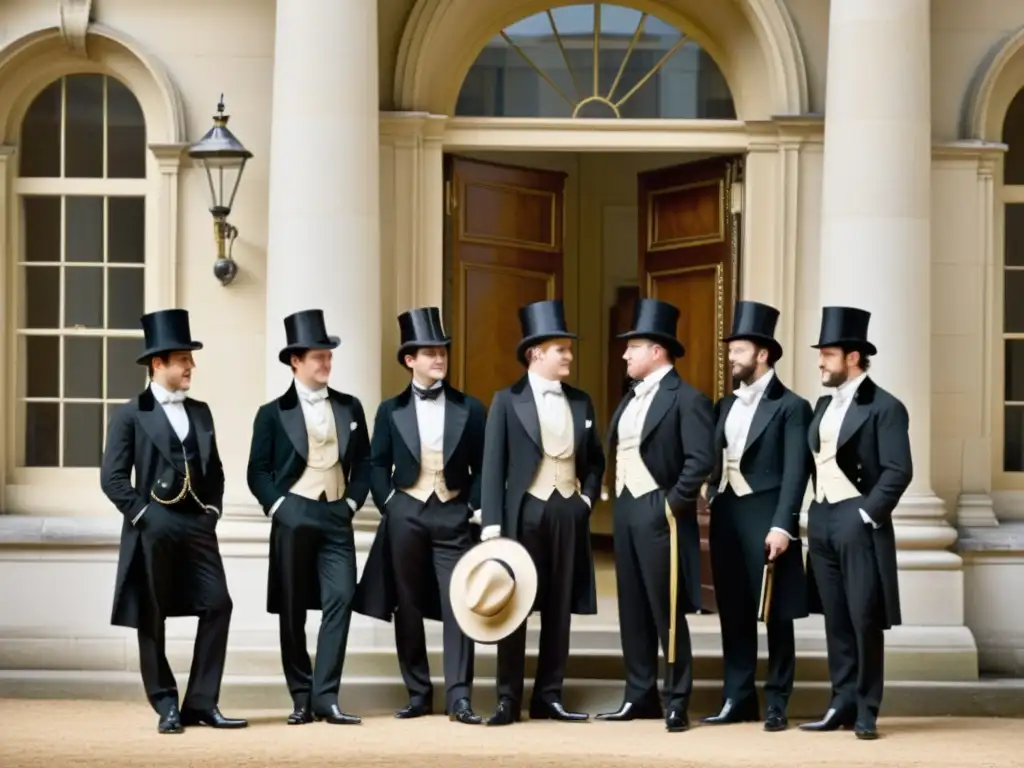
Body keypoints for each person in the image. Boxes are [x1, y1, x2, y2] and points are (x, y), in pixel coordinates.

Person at [100, 309, 246, 734]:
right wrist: (145, 515)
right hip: (153, 525)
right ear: (158, 363)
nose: (191, 366)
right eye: (183, 358)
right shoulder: (131, 413)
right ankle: (165, 704)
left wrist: (213, 512)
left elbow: (215, 471)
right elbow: (112, 478)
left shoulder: (201, 411)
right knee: (153, 613)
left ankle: (201, 702)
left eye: (190, 358)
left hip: (197, 524)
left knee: (219, 604)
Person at [354, 306, 486, 724]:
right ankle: (417, 692)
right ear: (410, 360)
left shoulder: (472, 408)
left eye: (442, 352)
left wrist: (470, 505)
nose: (440, 359)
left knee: (460, 602)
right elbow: (375, 464)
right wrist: (390, 503)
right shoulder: (389, 410)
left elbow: (484, 464)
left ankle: (460, 696)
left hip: (453, 513)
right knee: (407, 604)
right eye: (430, 353)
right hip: (406, 512)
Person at [478, 299, 605, 726]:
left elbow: (596, 461)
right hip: (524, 512)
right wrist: (492, 524)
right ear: (536, 354)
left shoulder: (582, 402)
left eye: (568, 348)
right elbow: (493, 466)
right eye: (560, 348)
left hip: (568, 511)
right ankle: (506, 699)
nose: (569, 355)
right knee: (514, 605)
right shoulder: (506, 400)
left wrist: (586, 499)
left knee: (559, 606)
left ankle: (548, 695)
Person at [246, 309, 371, 726]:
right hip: (293, 514)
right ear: (295, 361)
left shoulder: (351, 406)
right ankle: (301, 697)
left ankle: (326, 697)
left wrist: (352, 503)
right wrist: (280, 507)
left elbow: (366, 463)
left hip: (337, 513)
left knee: (341, 599)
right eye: (317, 357)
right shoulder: (271, 413)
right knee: (292, 608)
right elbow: (257, 471)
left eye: (328, 355)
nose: (326, 363)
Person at [596, 298, 714, 733]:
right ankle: (639, 694)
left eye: (633, 346)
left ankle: (676, 698)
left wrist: (671, 503)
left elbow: (700, 460)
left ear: (657, 351)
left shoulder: (688, 399)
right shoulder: (629, 398)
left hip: (660, 511)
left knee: (666, 609)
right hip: (626, 509)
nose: (625, 354)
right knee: (632, 607)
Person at [800, 306, 911, 740]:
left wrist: (866, 514)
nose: (820, 362)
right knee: (835, 617)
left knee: (864, 617)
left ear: (852, 357)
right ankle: (841, 701)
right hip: (823, 517)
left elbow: (898, 470)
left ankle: (867, 708)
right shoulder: (824, 404)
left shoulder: (886, 407)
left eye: (827, 354)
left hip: (857, 517)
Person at [702, 300, 812, 732]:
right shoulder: (724, 405)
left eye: (739, 350)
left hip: (768, 517)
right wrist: (712, 490)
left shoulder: (791, 407)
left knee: (777, 613)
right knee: (734, 609)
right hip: (728, 514)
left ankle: (778, 700)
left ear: (763, 354)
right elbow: (717, 457)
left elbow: (795, 470)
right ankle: (738, 696)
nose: (731, 357)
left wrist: (784, 524)